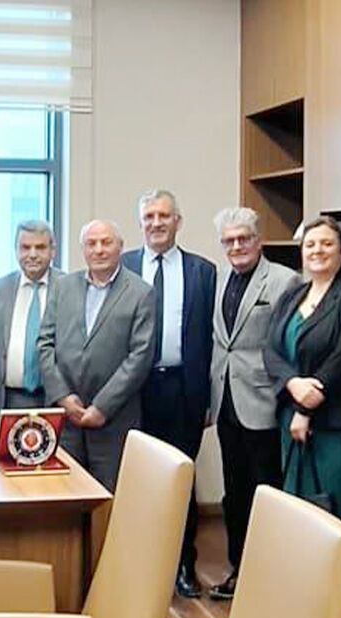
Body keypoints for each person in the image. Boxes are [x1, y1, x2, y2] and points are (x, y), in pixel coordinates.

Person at [120, 189, 217, 597]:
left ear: (178, 221)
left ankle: (183, 565)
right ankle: (140, 567)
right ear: (140, 222)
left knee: (181, 479)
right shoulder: (123, 266)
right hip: (133, 390)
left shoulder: (203, 271)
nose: (156, 223)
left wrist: (208, 397)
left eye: (164, 216)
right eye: (149, 217)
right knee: (138, 479)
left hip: (182, 390)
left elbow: (211, 339)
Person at [206, 207, 298, 600]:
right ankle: (239, 570)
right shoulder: (219, 279)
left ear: (258, 240)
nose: (236, 246)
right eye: (228, 240)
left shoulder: (284, 281)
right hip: (226, 401)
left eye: (244, 238)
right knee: (235, 491)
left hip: (263, 401)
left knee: (267, 492)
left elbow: (288, 343)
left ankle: (271, 578)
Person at [264, 215, 341, 531]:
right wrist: (292, 383)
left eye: (326, 244)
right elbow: (270, 349)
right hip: (290, 420)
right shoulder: (293, 295)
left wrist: (306, 407)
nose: (317, 250)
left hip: (332, 423)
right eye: (310, 244)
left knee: (336, 518)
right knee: (298, 515)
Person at [38, 219, 155, 490]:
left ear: (120, 247)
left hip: (114, 420)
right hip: (65, 418)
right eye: (91, 244)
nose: (99, 250)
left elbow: (140, 356)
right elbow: (44, 343)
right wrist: (63, 397)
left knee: (108, 497)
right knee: (64, 493)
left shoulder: (141, 293)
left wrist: (102, 407)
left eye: (106, 242)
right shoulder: (63, 287)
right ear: (83, 249)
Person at [0, 220, 61, 410]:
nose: (33, 254)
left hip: (54, 399)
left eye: (40, 247)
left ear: (53, 251)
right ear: (16, 250)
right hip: (9, 398)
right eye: (25, 247)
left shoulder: (69, 286)